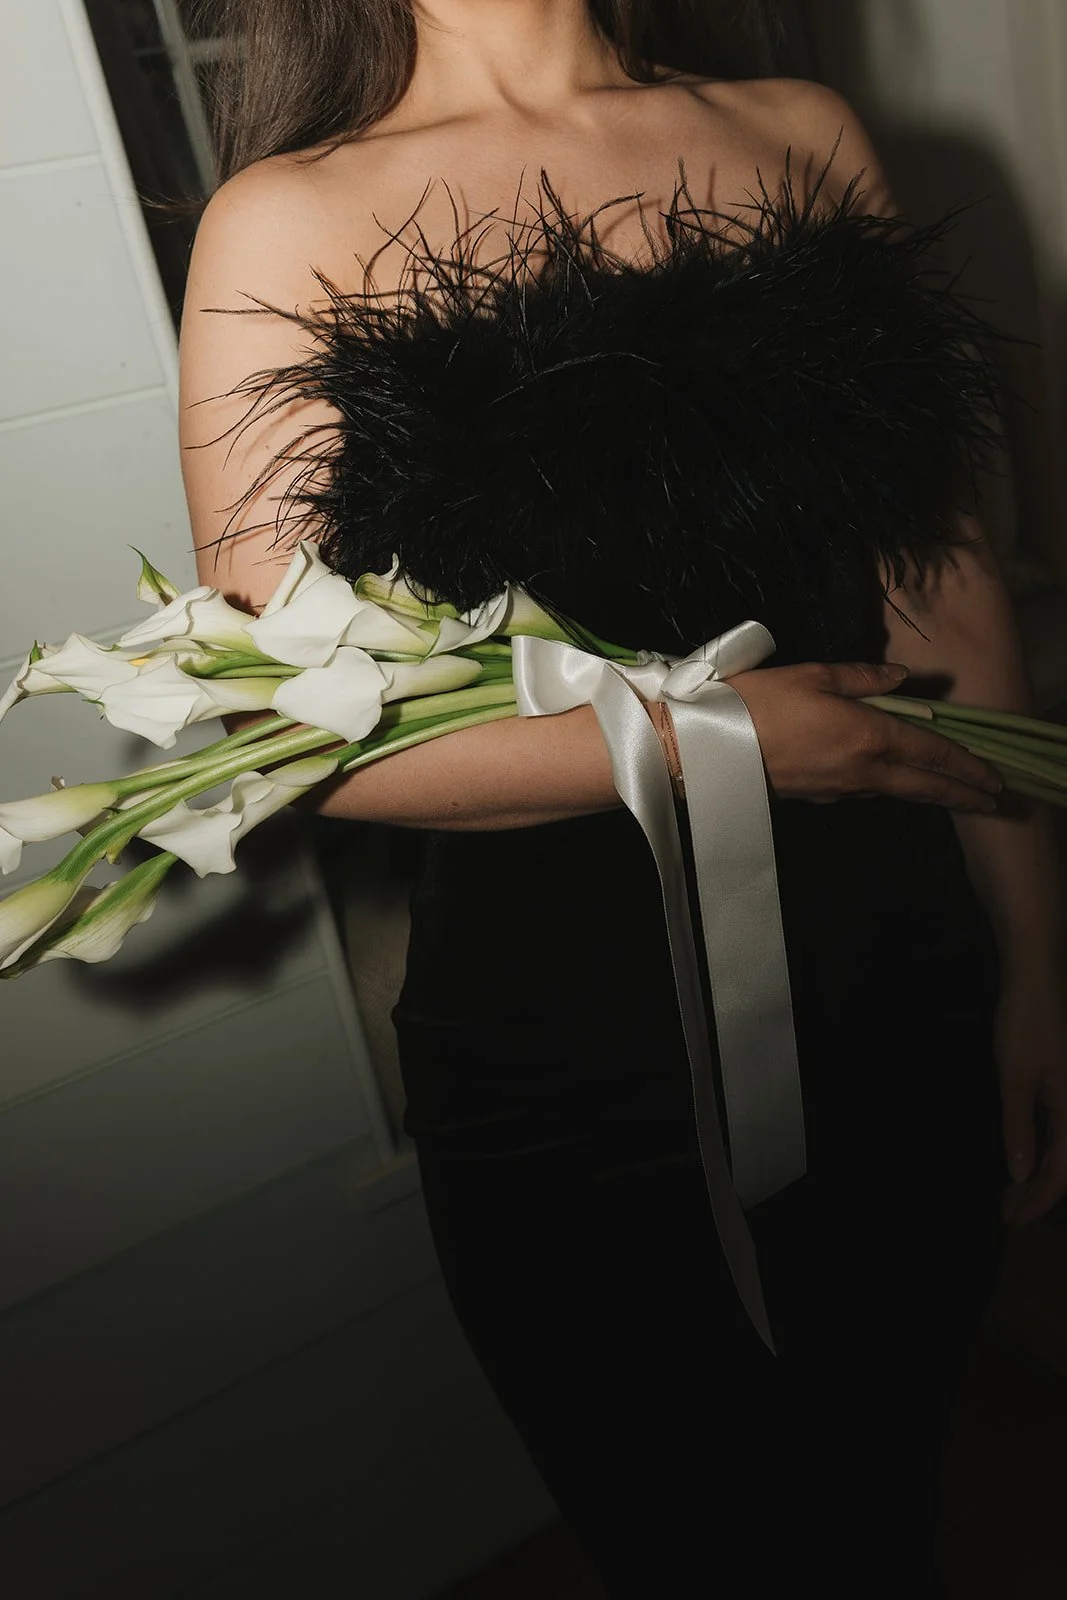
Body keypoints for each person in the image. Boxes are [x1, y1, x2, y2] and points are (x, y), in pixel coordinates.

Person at [179, 2, 1067, 1591]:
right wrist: (720, 736)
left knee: (884, 1495)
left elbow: (940, 587)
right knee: (686, 1538)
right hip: (552, 1053)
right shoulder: (286, 217)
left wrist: (1034, 963)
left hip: (894, 986)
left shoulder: (799, 133)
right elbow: (298, 739)